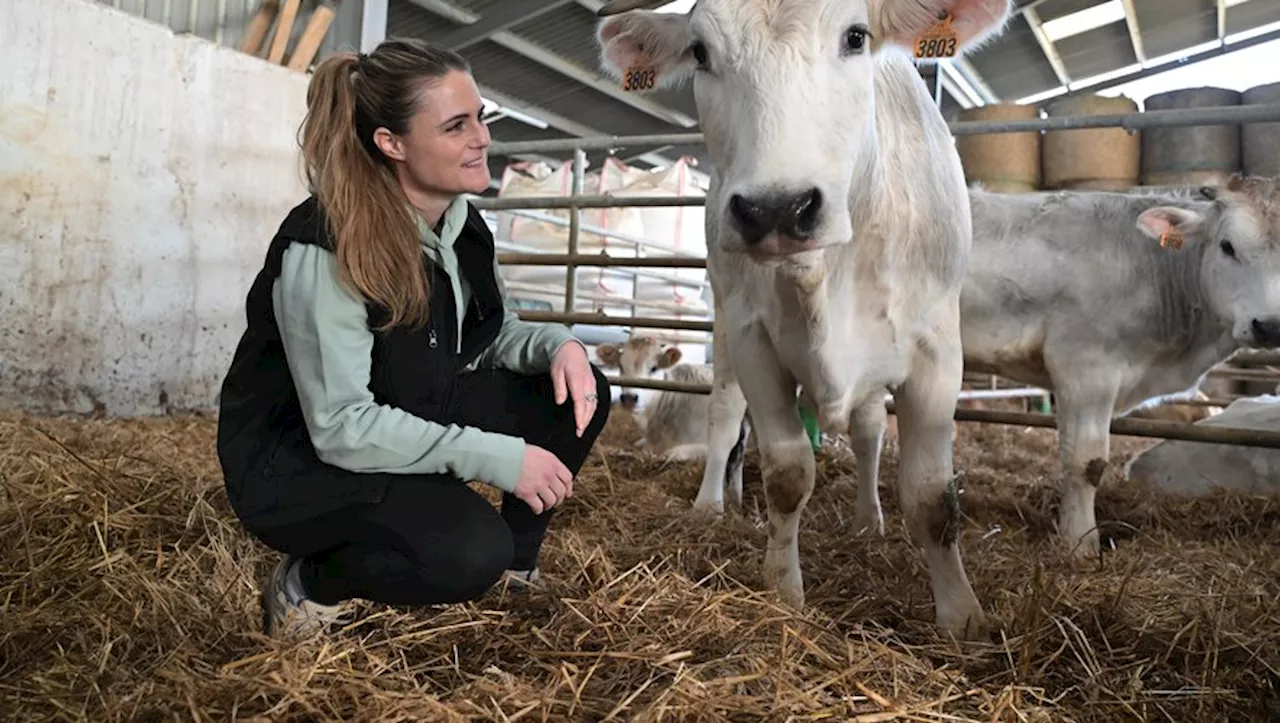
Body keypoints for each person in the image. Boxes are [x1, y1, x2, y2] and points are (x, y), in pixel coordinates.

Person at [215, 37, 611, 638]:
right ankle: (310, 585)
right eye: (456, 126)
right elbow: (342, 425)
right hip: (299, 463)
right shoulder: (327, 245)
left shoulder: (461, 223)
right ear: (392, 144)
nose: (481, 138)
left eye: (480, 117)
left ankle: (517, 573)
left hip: (405, 406)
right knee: (468, 551)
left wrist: (562, 346)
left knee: (579, 393)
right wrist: (498, 456)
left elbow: (491, 332)